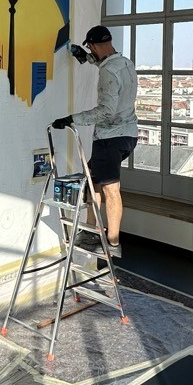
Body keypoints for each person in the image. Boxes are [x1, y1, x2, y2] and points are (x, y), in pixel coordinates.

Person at [51, 24, 137, 257]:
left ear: (94, 45)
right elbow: (107, 66)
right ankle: (92, 231)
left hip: (110, 137)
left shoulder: (108, 72)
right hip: (128, 135)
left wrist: (72, 119)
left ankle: (113, 244)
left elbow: (106, 111)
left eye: (90, 48)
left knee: (111, 190)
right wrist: (87, 58)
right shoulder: (125, 63)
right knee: (92, 181)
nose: (91, 52)